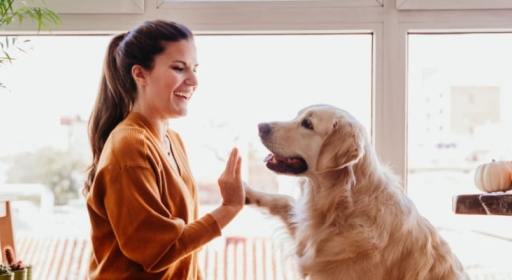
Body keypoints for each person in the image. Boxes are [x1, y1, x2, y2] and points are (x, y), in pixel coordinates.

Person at [83, 19, 246, 279]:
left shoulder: (172, 140)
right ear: (140, 74)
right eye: (179, 68)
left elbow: (182, 252)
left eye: (194, 68)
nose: (193, 80)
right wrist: (229, 207)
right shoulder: (129, 147)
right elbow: (158, 251)